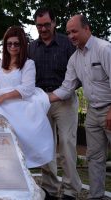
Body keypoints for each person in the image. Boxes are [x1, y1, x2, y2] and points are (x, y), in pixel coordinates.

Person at [50, 14, 111, 200]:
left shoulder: (105, 49)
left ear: (87, 28)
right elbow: (66, 89)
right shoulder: (74, 59)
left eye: (74, 31)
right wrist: (41, 99)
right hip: (93, 112)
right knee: (94, 157)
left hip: (110, 109)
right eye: (68, 32)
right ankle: (96, 196)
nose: (71, 36)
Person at [27, 7, 81, 200]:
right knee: (45, 147)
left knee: (67, 145)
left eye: (46, 25)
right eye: (39, 26)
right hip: (41, 103)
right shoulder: (31, 48)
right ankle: (50, 188)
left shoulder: (68, 44)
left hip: (65, 101)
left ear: (54, 22)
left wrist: (64, 92)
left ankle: (70, 191)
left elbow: (79, 75)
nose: (42, 29)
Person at [0, 26, 54, 168]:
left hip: (20, 111)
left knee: (19, 149)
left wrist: (3, 97)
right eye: (9, 43)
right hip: (2, 111)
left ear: (22, 45)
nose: (12, 46)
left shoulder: (28, 64)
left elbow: (27, 88)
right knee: (3, 150)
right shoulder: (0, 63)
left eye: (16, 43)